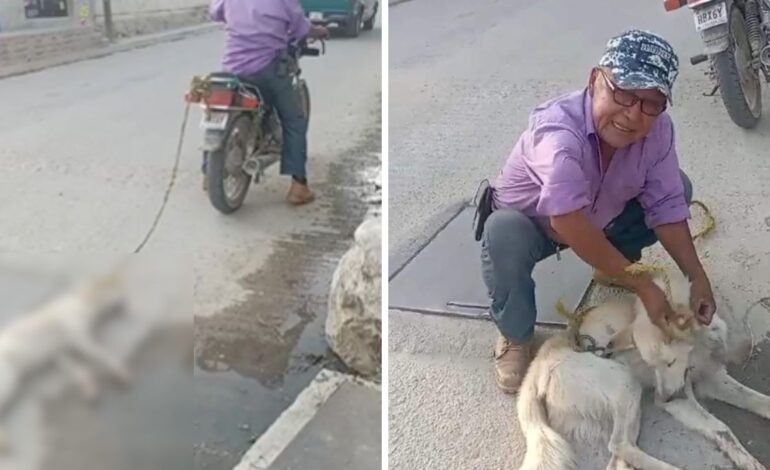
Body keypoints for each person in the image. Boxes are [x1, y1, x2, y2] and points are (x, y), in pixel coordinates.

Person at [480, 30, 717, 394]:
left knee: (679, 188)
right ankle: (514, 335)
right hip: (538, 227)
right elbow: (566, 219)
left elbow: (668, 204)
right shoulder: (559, 132)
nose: (632, 115)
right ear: (595, 81)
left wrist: (697, 275)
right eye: (623, 93)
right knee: (503, 231)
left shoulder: (658, 131)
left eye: (651, 103)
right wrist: (642, 284)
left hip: (599, 219)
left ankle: (612, 263)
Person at [207, 0, 329, 205]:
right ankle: (299, 186)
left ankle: (207, 174)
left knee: (219, 111)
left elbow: (215, 13)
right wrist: (319, 31)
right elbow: (300, 26)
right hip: (268, 68)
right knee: (294, 121)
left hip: (232, 67)